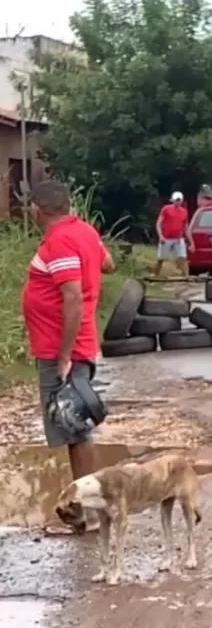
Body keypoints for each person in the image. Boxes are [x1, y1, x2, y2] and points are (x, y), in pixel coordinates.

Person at [21, 180, 116, 534]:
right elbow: (108, 264)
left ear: (37, 209)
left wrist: (63, 356)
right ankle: (90, 510)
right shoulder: (83, 232)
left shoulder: (60, 240)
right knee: (77, 429)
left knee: (75, 431)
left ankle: (86, 514)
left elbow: (72, 297)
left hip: (63, 350)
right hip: (76, 345)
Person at [153, 191, 191, 276]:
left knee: (183, 258)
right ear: (173, 200)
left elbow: (186, 228)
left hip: (178, 238)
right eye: (176, 200)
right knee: (161, 258)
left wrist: (191, 241)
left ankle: (187, 276)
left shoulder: (184, 212)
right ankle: (155, 274)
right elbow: (158, 223)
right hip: (166, 238)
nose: (178, 202)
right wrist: (161, 236)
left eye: (179, 200)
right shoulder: (166, 209)